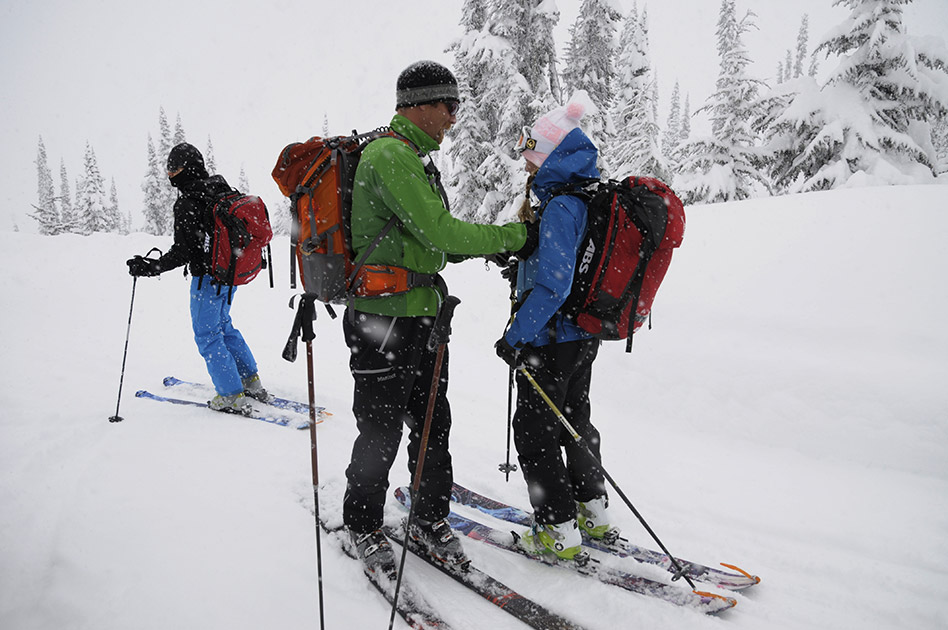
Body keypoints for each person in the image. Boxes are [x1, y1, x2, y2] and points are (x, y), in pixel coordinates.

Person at [342, 60, 535, 579]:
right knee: (380, 429)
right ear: (419, 104)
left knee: (433, 424)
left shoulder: (414, 159)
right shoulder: (390, 156)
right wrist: (512, 238)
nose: (454, 116)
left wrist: (483, 248)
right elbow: (442, 235)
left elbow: (431, 247)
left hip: (421, 317)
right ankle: (362, 523)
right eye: (447, 105)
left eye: (456, 106)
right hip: (382, 320)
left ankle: (428, 518)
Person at [493, 92, 618, 561]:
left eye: (532, 158)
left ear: (550, 156)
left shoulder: (563, 204)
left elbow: (555, 287)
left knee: (535, 430)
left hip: (550, 340)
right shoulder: (589, 194)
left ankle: (557, 528)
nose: (528, 167)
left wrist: (513, 336)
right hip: (583, 337)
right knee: (574, 422)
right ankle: (592, 511)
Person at [126, 143, 269, 416]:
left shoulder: (188, 201)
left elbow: (184, 251)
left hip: (208, 278)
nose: (170, 174)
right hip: (229, 274)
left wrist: (151, 267)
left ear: (187, 168)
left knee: (207, 335)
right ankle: (250, 379)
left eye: (174, 168)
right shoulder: (218, 187)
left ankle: (230, 395)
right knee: (224, 326)